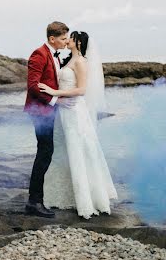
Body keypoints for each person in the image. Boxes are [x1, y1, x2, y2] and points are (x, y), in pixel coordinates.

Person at [39, 30, 117, 219]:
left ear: (79, 43)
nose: (67, 41)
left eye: (70, 38)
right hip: (63, 111)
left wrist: (53, 92)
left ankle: (85, 201)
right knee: (62, 150)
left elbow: (81, 89)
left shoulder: (81, 62)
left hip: (74, 111)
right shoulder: (68, 60)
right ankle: (67, 196)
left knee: (77, 150)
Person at [24, 21, 71, 218]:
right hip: (40, 111)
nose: (66, 41)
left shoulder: (55, 55)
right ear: (52, 39)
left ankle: (37, 200)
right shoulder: (39, 54)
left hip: (48, 111)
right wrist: (55, 100)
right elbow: (33, 85)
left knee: (46, 152)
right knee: (44, 153)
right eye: (63, 38)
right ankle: (34, 202)